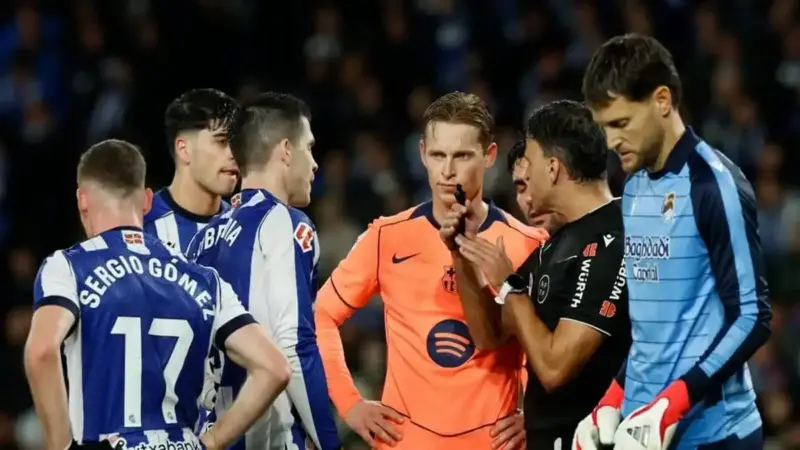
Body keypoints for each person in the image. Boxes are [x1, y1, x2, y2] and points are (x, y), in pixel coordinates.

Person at [315, 91, 546, 449]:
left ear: (489, 156)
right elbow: (321, 315)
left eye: (462, 156)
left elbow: (549, 344)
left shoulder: (529, 244)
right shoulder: (387, 236)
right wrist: (350, 404)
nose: (447, 170)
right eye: (438, 155)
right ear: (422, 154)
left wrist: (536, 414)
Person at [24, 139, 290, 450]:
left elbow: (41, 351)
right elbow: (275, 368)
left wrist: (61, 446)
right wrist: (214, 441)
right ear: (147, 201)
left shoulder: (69, 267)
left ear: (82, 200)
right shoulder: (205, 279)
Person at [575, 34, 772, 450]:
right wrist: (613, 398)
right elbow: (655, 331)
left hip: (716, 435)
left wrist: (675, 402)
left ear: (662, 101)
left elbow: (752, 317)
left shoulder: (713, 185)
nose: (610, 142)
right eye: (603, 127)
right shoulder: (632, 188)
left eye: (621, 124)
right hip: (645, 430)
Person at [445, 100, 630, 450]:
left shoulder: (613, 238)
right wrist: (461, 252)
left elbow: (555, 369)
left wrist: (510, 286)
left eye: (529, 160)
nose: (525, 175)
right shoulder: (556, 244)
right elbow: (490, 334)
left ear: (553, 168)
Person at [185, 93, 342, 450]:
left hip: (209, 433)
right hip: (268, 437)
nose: (314, 163)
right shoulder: (285, 223)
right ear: (286, 150)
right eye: (309, 148)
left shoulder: (200, 240)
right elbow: (294, 346)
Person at [144, 88, 240, 252]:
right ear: (184, 149)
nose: (234, 154)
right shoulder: (141, 227)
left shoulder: (245, 228)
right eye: (222, 141)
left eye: (237, 143)